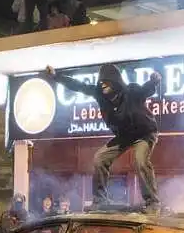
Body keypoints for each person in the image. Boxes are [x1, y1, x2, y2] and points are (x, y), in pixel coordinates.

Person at [45, 64, 162, 211]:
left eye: (106, 82)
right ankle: (100, 199)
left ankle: (152, 202)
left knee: (140, 160)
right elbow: (79, 86)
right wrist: (56, 76)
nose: (103, 85)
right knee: (100, 158)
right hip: (124, 136)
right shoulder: (99, 93)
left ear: (114, 82)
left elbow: (146, 89)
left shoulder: (131, 91)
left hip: (144, 133)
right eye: (101, 82)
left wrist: (154, 81)